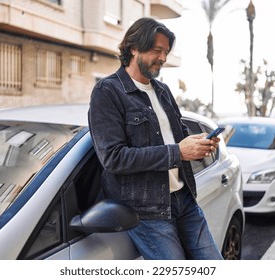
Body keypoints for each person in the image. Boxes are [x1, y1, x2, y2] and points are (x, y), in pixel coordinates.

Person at [88, 17, 223, 260]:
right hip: (146, 211)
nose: (162, 58)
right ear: (133, 48)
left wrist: (199, 143)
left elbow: (177, 137)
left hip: (184, 199)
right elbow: (114, 158)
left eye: (166, 52)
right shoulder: (107, 92)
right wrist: (177, 152)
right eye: (156, 50)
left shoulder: (163, 91)